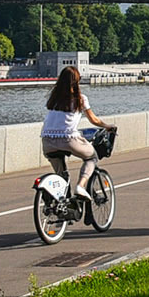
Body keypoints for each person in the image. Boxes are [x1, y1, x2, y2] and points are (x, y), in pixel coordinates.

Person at [40, 66, 111, 202]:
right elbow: (94, 120)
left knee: (61, 175)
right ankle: (81, 186)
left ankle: (60, 204)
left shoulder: (53, 99)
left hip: (47, 140)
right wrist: (108, 126)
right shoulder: (80, 99)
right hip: (68, 139)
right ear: (76, 81)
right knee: (91, 157)